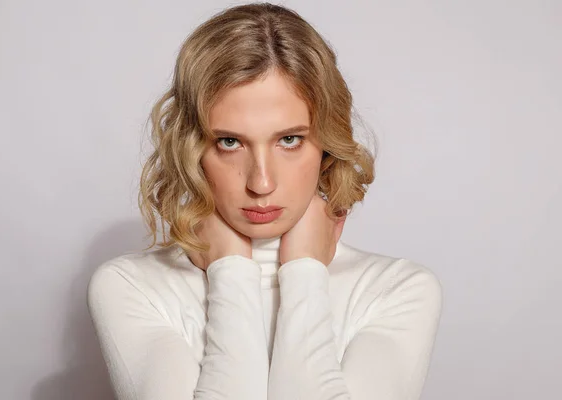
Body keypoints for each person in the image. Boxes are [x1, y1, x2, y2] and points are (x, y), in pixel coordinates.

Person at [87, 2, 443, 400]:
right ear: (191, 148)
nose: (261, 182)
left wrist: (305, 273)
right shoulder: (134, 287)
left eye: (289, 139)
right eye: (229, 142)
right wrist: (231, 271)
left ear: (327, 142)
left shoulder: (395, 290)